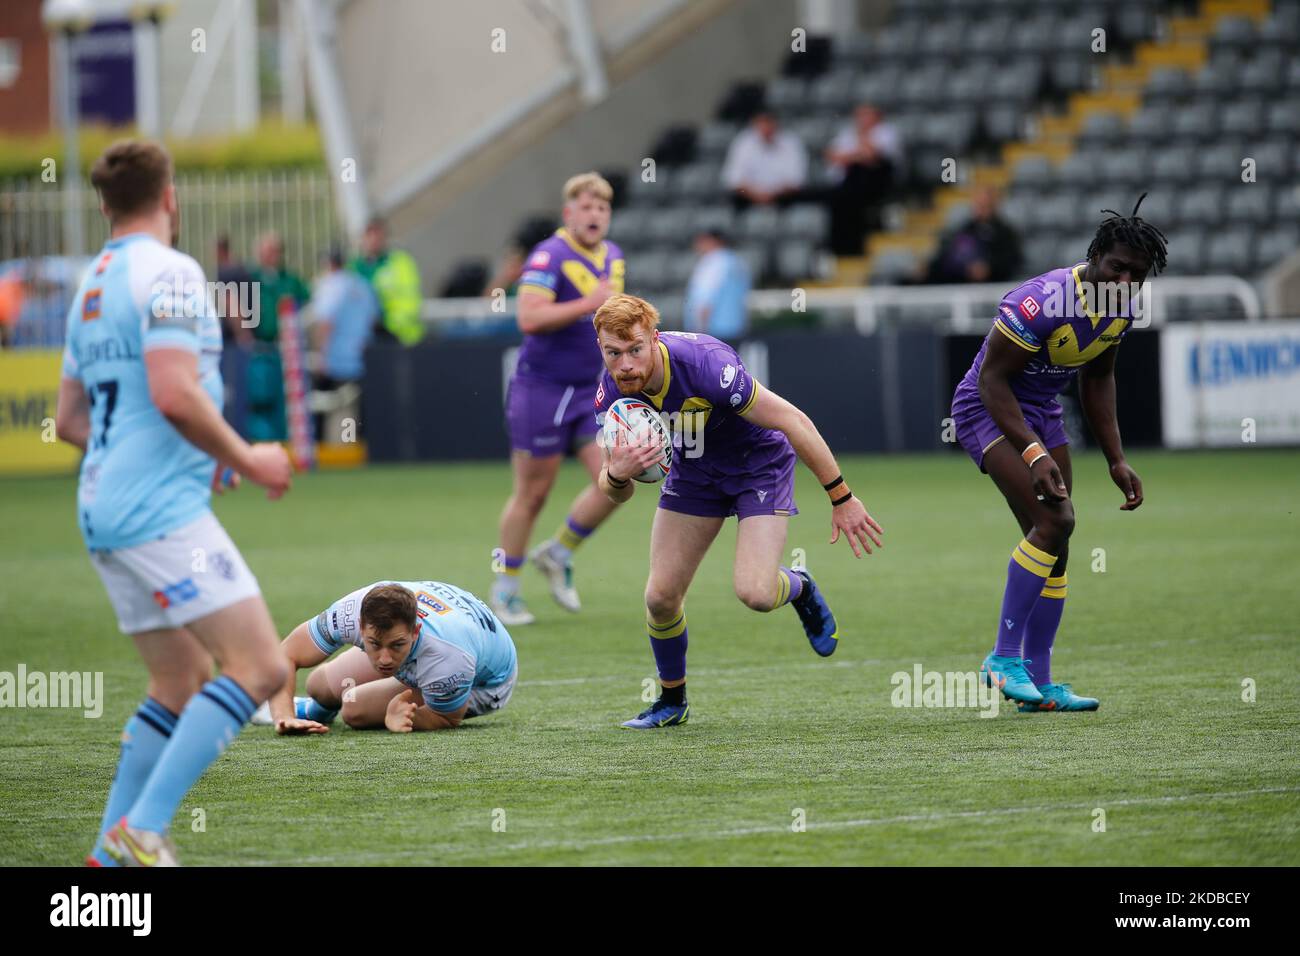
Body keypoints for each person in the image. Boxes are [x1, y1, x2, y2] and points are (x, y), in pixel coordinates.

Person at [55, 139, 293, 866]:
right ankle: (143, 829)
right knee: (261, 669)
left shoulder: (92, 284)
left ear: (103, 204)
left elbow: (70, 420)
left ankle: (106, 853)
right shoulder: (173, 272)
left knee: (179, 680)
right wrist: (246, 456)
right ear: (171, 198)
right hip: (156, 511)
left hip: (104, 505)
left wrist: (191, 453)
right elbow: (173, 392)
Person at [593, 294, 884, 729]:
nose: (626, 364)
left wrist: (841, 497)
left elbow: (793, 420)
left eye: (635, 349)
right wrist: (617, 474)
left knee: (756, 593)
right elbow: (615, 492)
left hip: (757, 465)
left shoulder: (706, 365)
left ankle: (799, 587)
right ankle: (673, 701)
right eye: (613, 353)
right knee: (659, 597)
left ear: (654, 338)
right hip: (694, 474)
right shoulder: (611, 391)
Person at [950, 196, 1166, 713]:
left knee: (1058, 540)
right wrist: (1030, 451)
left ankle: (1041, 684)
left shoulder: (1122, 306)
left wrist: (1115, 458)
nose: (1123, 281)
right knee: (1056, 521)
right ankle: (1002, 660)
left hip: (1042, 413)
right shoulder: (1043, 300)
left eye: (1136, 274)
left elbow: (1097, 378)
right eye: (1116, 267)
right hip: (987, 408)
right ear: (1094, 256)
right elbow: (991, 380)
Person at [492, 172, 626, 626]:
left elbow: (614, 316)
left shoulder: (614, 256)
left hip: (590, 391)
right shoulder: (550, 254)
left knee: (618, 480)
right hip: (541, 389)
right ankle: (505, 587)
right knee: (532, 494)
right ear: (569, 214)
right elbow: (528, 317)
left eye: (602, 208)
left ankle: (558, 552)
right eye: (586, 207)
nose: (595, 215)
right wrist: (587, 302)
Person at [251, 580, 517, 733]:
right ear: (359, 626)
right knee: (319, 685)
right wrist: (283, 715)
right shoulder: (348, 612)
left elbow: (447, 718)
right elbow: (286, 654)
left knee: (355, 709)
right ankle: (312, 711)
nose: (385, 659)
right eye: (374, 644)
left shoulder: (448, 658)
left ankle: (326, 709)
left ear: (415, 630)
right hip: (446, 638)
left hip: (485, 682)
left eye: (396, 645)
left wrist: (405, 718)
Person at [309, 246, 379, 440]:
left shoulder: (331, 285)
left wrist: (321, 355)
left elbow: (325, 323)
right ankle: (353, 444)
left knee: (325, 406)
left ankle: (325, 446)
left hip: (335, 359)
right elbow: (373, 319)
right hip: (360, 357)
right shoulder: (362, 284)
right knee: (354, 409)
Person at [247, 232, 310, 442]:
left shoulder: (291, 280)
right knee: (262, 398)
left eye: (273, 251)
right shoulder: (251, 280)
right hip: (260, 350)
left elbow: (307, 306)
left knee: (288, 402)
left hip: (288, 351)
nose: (269, 256)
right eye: (265, 251)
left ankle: (287, 442)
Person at [823, 103, 903, 255]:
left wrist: (854, 152)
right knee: (837, 201)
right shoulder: (847, 133)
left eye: (866, 115)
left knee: (853, 200)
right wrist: (858, 155)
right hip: (850, 183)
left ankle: (856, 247)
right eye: (859, 115)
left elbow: (873, 155)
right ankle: (840, 249)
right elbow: (832, 155)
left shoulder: (887, 132)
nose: (862, 119)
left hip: (877, 182)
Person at [925, 186, 1024, 284]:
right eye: (979, 205)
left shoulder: (1006, 233)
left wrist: (989, 268)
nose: (982, 209)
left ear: (995, 206)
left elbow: (1013, 259)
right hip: (964, 286)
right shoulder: (963, 230)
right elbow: (948, 257)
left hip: (997, 285)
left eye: (986, 205)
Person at [350, 217, 423, 346]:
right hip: (366, 338)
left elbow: (410, 301)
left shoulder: (400, 263)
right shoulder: (355, 267)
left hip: (399, 336)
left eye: (378, 236)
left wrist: (390, 324)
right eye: (369, 236)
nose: (373, 241)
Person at [722, 111, 808, 210]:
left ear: (776, 123)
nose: (765, 128)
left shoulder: (791, 142)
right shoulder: (743, 142)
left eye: (768, 122)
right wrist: (757, 195)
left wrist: (771, 195)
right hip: (749, 197)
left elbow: (796, 181)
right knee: (734, 198)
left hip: (783, 197)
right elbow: (734, 180)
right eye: (761, 123)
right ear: (754, 124)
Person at [682, 228, 751, 342]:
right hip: (737, 327)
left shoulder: (713, 262)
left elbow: (705, 300)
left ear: (713, 241)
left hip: (714, 333)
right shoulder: (737, 262)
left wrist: (699, 333)